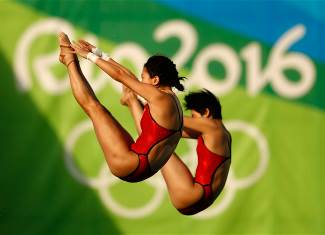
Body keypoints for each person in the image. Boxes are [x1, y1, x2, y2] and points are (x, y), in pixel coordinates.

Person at [58, 32, 184, 182]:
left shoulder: (160, 97)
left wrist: (89, 56)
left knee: (94, 107)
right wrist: (99, 53)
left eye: (143, 78)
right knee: (102, 110)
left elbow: (120, 75)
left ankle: (69, 60)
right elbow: (128, 77)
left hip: (130, 164)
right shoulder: (172, 101)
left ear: (155, 80)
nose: (140, 81)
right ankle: (69, 59)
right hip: (139, 166)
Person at [121, 87, 231, 215]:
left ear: (206, 112)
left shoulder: (212, 126)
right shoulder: (220, 134)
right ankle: (131, 101)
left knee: (154, 145)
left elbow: (168, 115)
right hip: (202, 199)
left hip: (192, 194)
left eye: (194, 117)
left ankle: (131, 100)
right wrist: (140, 106)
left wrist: (148, 102)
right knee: (158, 138)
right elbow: (167, 128)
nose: (193, 120)